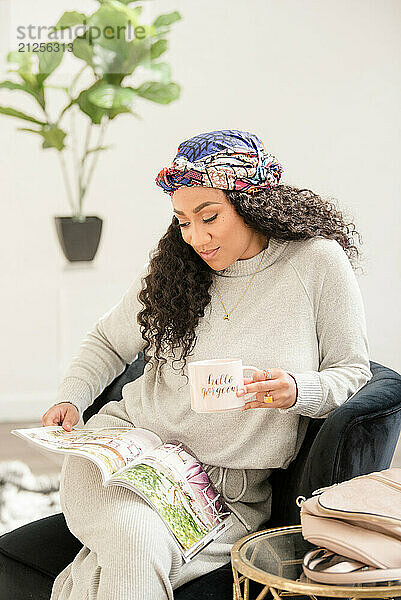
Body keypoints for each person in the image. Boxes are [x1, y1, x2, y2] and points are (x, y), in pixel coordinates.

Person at [44, 129, 372, 600]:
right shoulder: (176, 265)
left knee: (120, 563)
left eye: (209, 217)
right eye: (182, 221)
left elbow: (352, 371)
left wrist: (298, 390)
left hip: (225, 497)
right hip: (124, 456)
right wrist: (70, 397)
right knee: (137, 542)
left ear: (252, 201)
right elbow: (106, 340)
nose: (195, 237)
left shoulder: (316, 263)